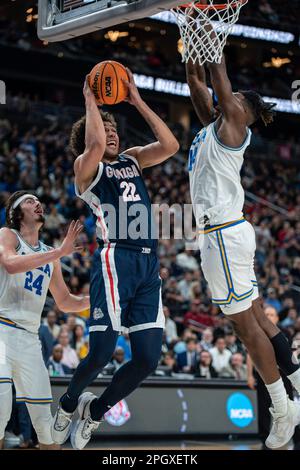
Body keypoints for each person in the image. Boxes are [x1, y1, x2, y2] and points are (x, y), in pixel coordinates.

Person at [186, 0, 300, 449]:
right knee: (253, 316)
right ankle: (295, 382)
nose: (223, 98)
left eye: (231, 99)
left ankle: (282, 407)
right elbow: (197, 80)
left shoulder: (235, 125)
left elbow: (216, 77)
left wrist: (210, 26)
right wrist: (192, 31)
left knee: (243, 326)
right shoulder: (211, 127)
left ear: (242, 109)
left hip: (222, 233)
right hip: (224, 234)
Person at [51, 69, 179, 450]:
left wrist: (136, 99)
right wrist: (90, 99)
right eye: (104, 128)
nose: (112, 133)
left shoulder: (133, 159)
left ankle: (94, 411)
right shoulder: (86, 169)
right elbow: (91, 148)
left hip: (148, 265)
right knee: (104, 351)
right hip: (114, 260)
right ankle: (69, 402)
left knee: (147, 358)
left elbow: (170, 144)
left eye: (114, 128)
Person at [0, 191, 89, 450]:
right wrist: (59, 252)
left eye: (38, 200)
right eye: (29, 201)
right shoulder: (8, 235)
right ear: (17, 212)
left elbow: (65, 301)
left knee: (45, 424)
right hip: (2, 331)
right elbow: (11, 264)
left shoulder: (51, 254)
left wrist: (97, 299)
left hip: (29, 339)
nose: (37, 203)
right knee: (1, 409)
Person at [247, 305, 300, 450]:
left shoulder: (285, 334)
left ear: (277, 318)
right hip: (262, 376)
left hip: (284, 376)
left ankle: (297, 441)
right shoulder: (256, 333)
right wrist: (249, 375)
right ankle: (264, 440)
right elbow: (250, 355)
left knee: (290, 408)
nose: (269, 317)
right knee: (263, 409)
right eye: (267, 314)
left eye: (272, 315)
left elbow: (292, 355)